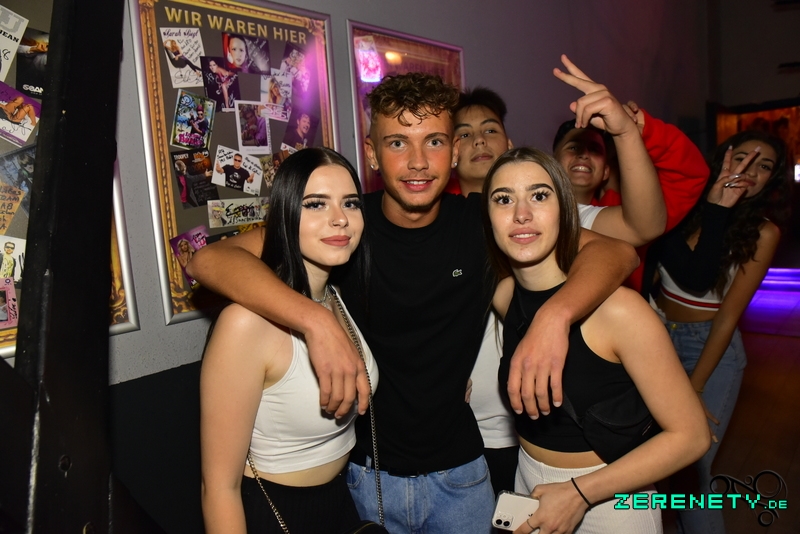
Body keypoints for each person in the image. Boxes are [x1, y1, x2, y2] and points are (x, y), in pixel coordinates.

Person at [188, 72, 638, 532]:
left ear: (456, 150)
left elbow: (617, 251)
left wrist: (555, 317)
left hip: (462, 477)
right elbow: (209, 260)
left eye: (435, 142)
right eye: (398, 143)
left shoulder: (480, 223)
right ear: (371, 153)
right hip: (364, 480)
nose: (418, 162)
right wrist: (314, 322)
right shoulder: (345, 225)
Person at [483, 147, 709, 534]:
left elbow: (691, 436)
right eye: (503, 199)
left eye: (539, 196)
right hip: (527, 481)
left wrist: (579, 494)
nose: (521, 214)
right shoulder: (506, 296)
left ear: (566, 211)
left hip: (609, 499)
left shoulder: (619, 311)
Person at [200, 147, 376, 533]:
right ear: (286, 213)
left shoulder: (335, 297)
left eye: (350, 203)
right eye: (316, 204)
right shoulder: (245, 324)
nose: (340, 218)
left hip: (340, 502)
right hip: (274, 513)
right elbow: (219, 488)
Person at [647, 131, 788, 534]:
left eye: (764, 166)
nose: (750, 170)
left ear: (771, 180)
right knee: (656, 465)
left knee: (695, 471)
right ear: (722, 160)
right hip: (658, 339)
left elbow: (727, 318)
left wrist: (695, 386)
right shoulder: (689, 208)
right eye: (742, 157)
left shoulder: (763, 232)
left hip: (708, 349)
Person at [551, 56, 708, 290]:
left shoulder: (627, 209)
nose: (583, 155)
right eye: (573, 148)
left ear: (606, 171)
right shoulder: (533, 211)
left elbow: (690, 174)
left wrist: (638, 131)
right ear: (552, 162)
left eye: (595, 149)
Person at [451, 87, 518, 498]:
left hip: (527, 428)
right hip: (459, 433)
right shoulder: (436, 226)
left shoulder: (537, 216)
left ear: (509, 143)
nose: (479, 140)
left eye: (490, 129)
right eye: (464, 133)